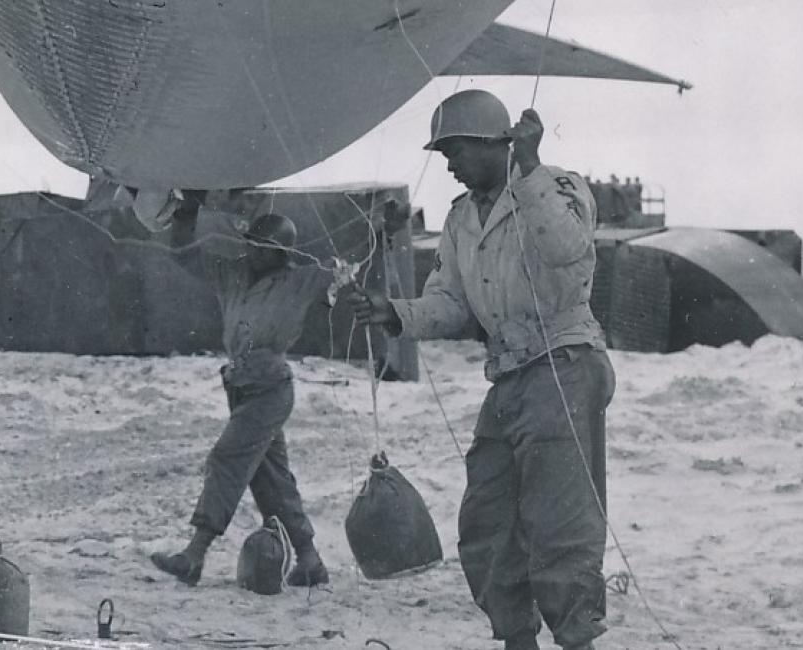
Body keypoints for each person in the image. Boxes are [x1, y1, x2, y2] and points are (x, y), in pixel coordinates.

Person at [345, 89, 616, 650]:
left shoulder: (558, 186)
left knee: (560, 524)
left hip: (563, 364)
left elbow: (568, 248)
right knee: (486, 521)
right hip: (510, 377)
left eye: (455, 150)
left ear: (497, 143)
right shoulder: (460, 218)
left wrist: (533, 170)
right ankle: (518, 640)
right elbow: (451, 302)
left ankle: (577, 641)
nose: (448, 164)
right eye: (443, 153)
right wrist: (394, 313)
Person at [147, 196, 333, 589]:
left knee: (227, 458)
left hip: (270, 388)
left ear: (282, 253)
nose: (253, 252)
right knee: (272, 480)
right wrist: (185, 216)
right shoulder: (231, 273)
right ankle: (310, 560)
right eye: (251, 244)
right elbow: (183, 255)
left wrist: (386, 226)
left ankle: (194, 554)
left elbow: (352, 265)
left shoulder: (300, 279)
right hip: (239, 386)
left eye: (263, 248)